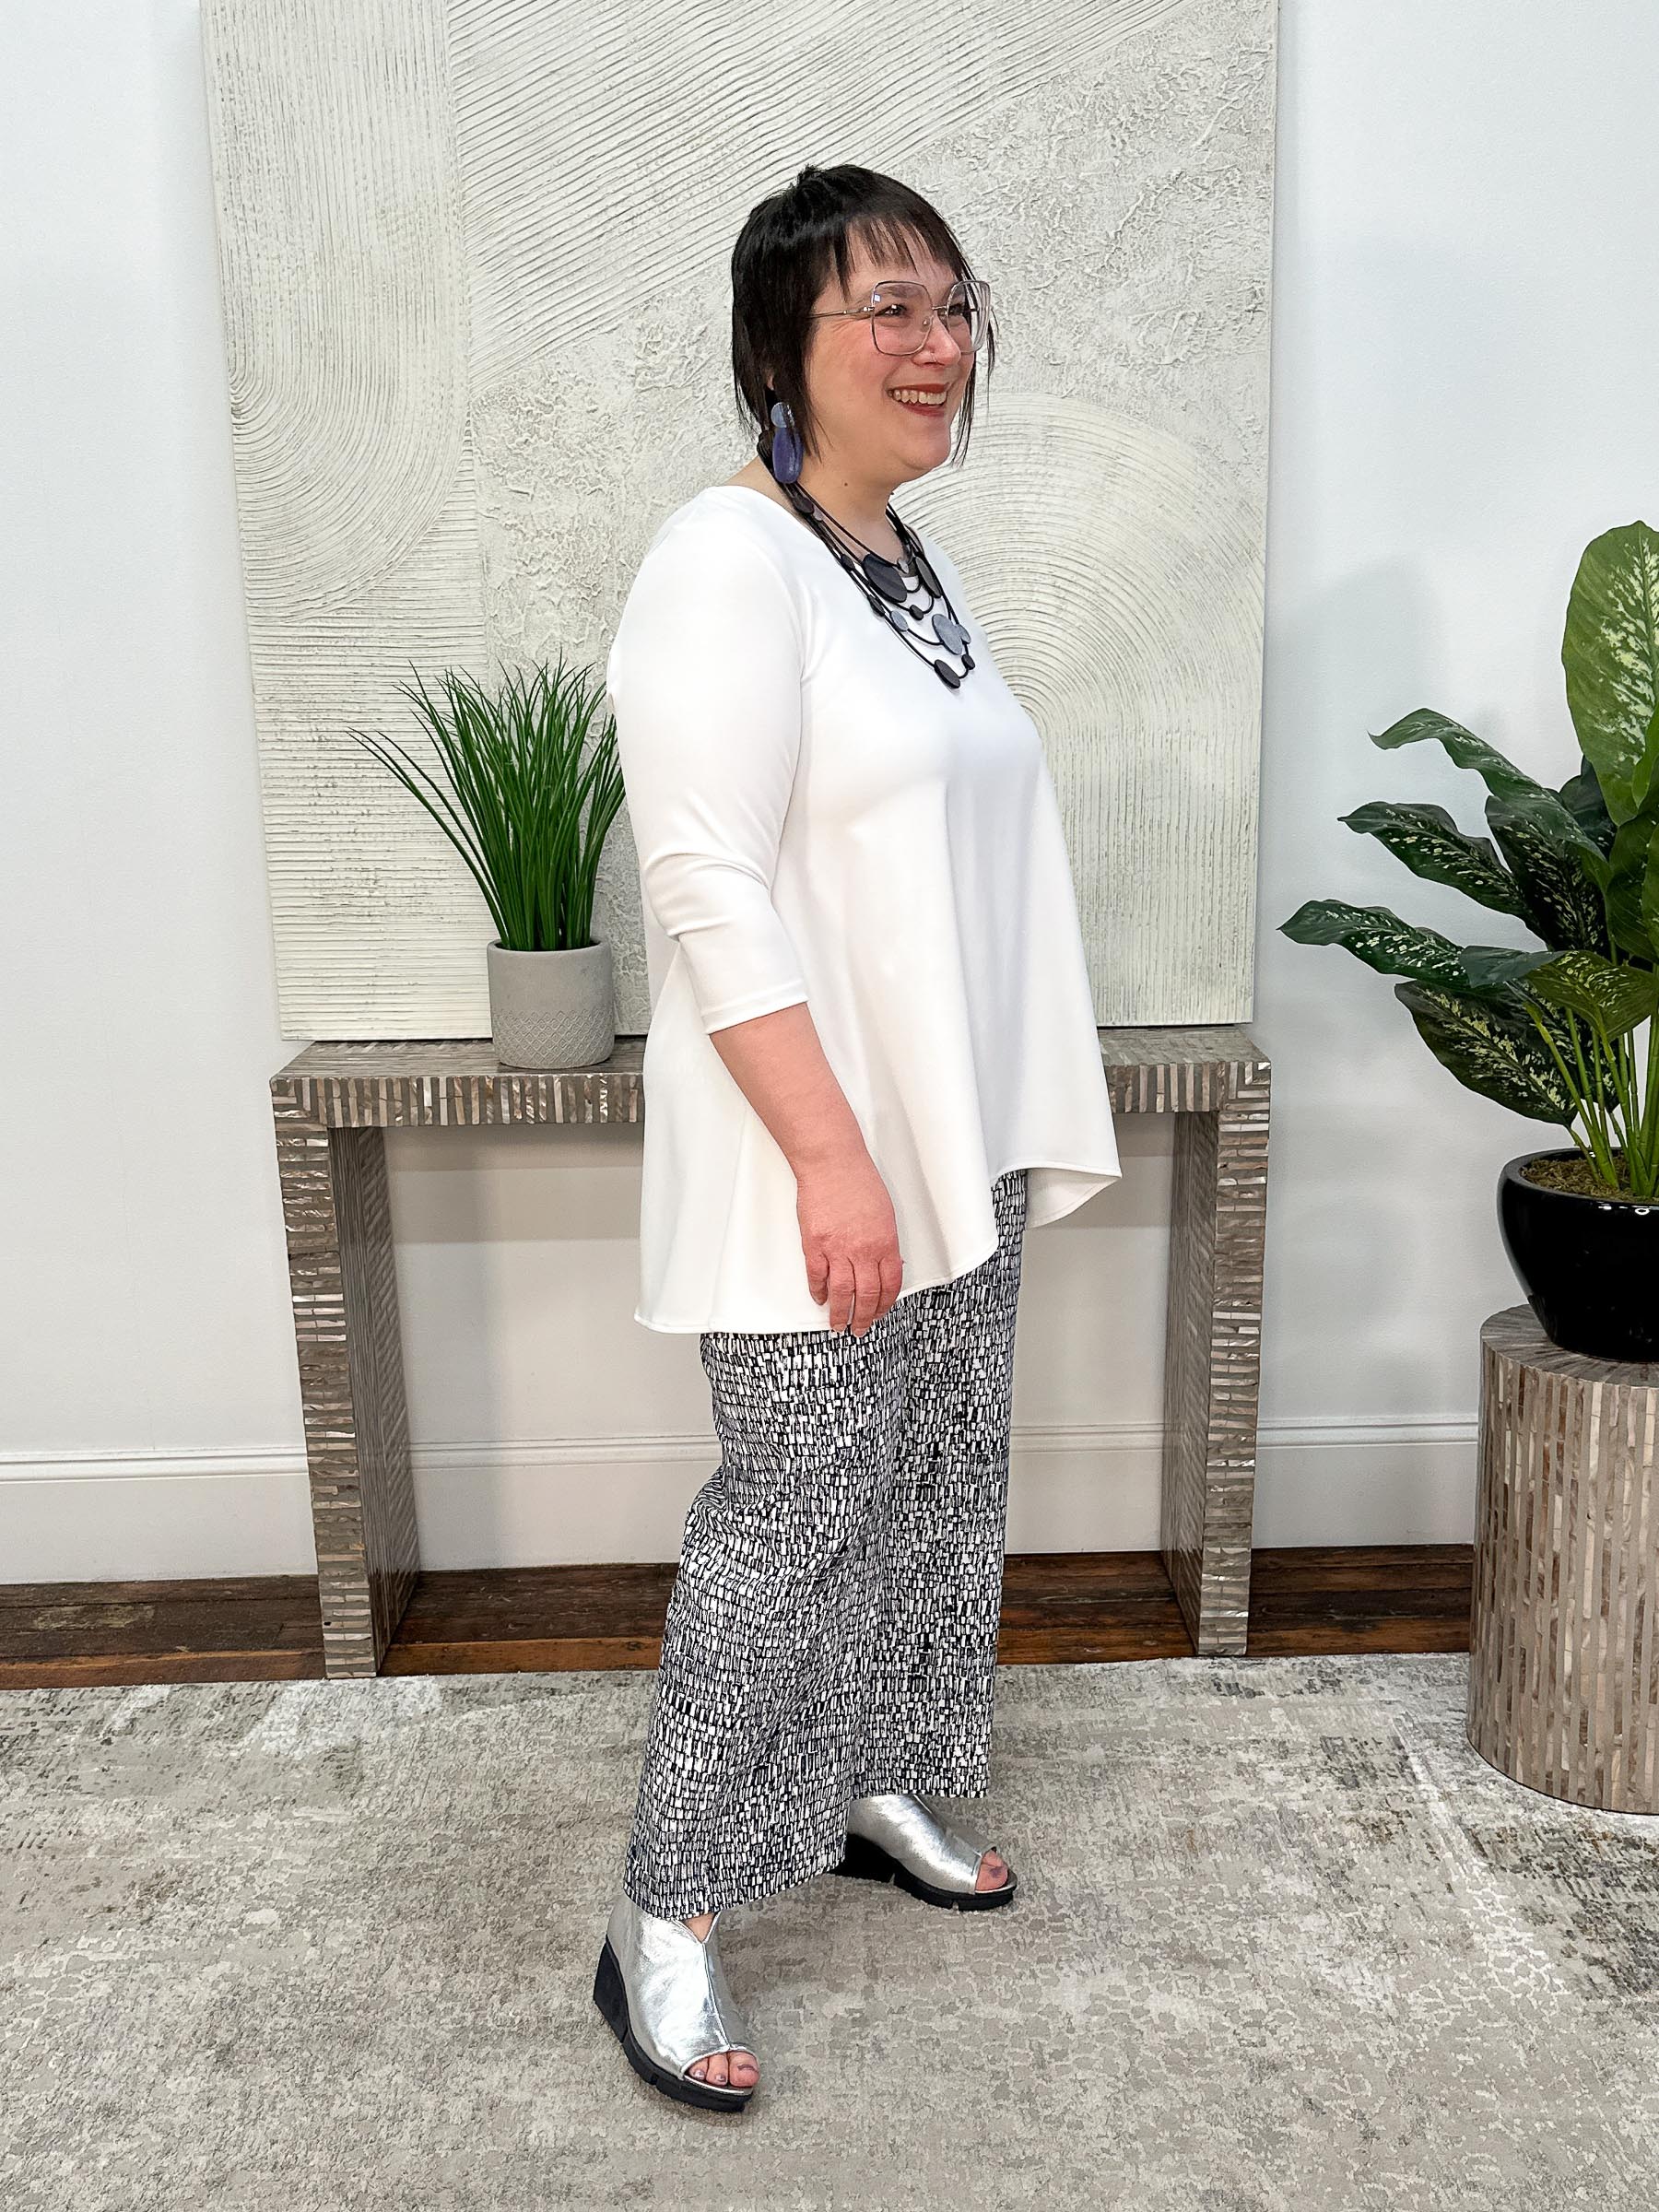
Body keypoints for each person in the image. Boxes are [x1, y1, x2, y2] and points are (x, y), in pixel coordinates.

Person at [593, 163, 1122, 2112]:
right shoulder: (725, 561)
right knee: (799, 1510)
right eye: (885, 308)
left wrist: (959, 1128)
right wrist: (832, 1157)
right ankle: (663, 1907)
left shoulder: (898, 561)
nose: (936, 343)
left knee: (932, 1481)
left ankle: (877, 1776)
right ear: (777, 350)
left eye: (954, 304)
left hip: (950, 1137)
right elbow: (705, 884)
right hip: (810, 1145)